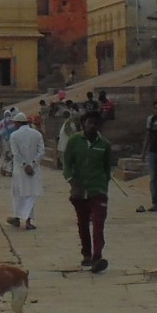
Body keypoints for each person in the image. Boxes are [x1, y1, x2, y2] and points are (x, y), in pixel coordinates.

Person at [61, 111, 115, 272]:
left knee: (98, 223)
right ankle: (86, 254)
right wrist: (72, 181)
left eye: (95, 123)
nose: (92, 126)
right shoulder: (74, 141)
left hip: (98, 189)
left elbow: (107, 169)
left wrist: (104, 185)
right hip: (79, 190)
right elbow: (66, 164)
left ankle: (97, 257)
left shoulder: (104, 145)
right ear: (83, 123)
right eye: (89, 122)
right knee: (83, 222)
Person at [4, 111, 46, 230]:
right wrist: (32, 164)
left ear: (18, 123)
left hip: (20, 170)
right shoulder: (37, 134)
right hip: (34, 170)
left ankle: (17, 218)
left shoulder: (14, 135)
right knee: (30, 194)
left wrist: (24, 165)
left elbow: (16, 153)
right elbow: (41, 152)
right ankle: (27, 221)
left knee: (18, 194)